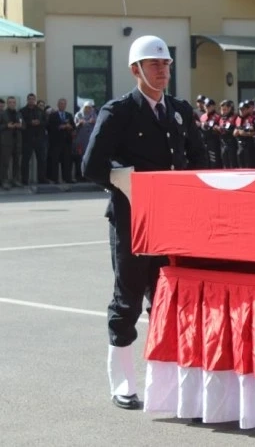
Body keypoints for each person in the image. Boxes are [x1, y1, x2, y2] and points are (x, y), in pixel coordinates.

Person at [82, 35, 208, 410]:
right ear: (135, 69)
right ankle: (123, 383)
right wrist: (126, 180)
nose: (162, 70)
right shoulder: (118, 112)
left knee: (167, 301)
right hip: (132, 220)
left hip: (173, 221)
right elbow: (91, 165)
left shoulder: (180, 110)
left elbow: (199, 161)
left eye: (166, 64)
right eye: (154, 64)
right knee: (128, 301)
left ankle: (165, 382)